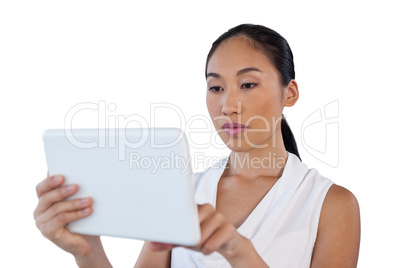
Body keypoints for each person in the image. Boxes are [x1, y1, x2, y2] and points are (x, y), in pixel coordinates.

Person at [34, 24, 361, 267]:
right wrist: (87, 250)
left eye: (248, 84)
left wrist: (239, 251)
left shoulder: (331, 204)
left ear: (289, 93)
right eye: (216, 88)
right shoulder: (181, 191)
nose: (228, 105)